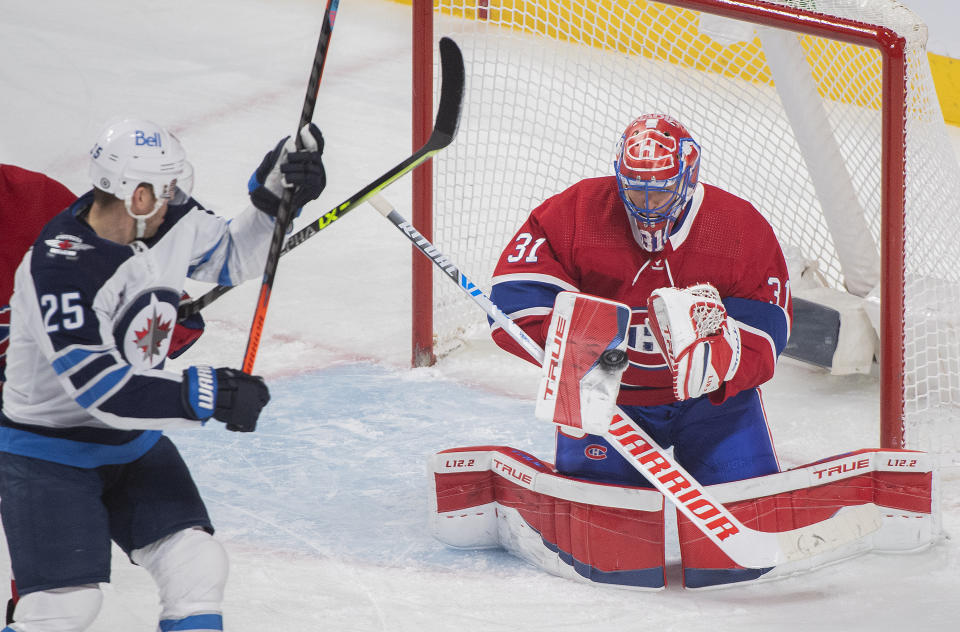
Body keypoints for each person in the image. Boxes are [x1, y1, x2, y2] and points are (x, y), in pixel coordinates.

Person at [0, 117, 326, 631]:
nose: (177, 195)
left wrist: (275, 198)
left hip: (131, 444)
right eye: (167, 185)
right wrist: (207, 393)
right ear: (138, 193)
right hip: (48, 453)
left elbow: (232, 257)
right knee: (63, 609)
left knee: (197, 565)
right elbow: (100, 388)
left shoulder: (167, 217)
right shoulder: (60, 264)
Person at [486, 113, 792, 585]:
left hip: (710, 404)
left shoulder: (736, 227)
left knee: (740, 562)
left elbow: (771, 322)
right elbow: (512, 296)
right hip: (605, 396)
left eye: (661, 190)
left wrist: (725, 356)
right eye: (636, 189)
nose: (647, 204)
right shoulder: (576, 212)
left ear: (688, 177)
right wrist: (572, 344)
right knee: (609, 563)